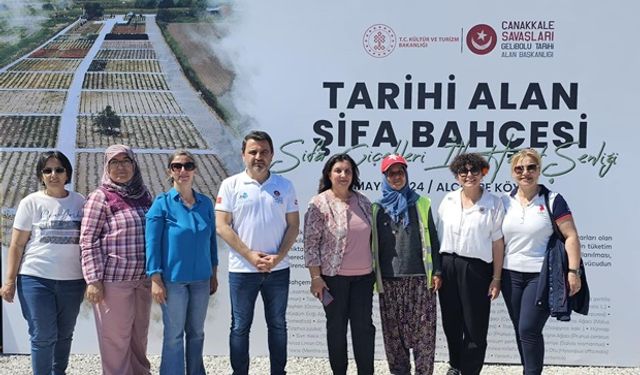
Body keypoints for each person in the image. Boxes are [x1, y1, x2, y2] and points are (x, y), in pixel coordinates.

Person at [215, 130, 300, 375]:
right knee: (240, 326)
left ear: (272, 155)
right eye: (253, 152)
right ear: (243, 155)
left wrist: (279, 257)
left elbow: (293, 226)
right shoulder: (230, 185)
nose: (258, 156)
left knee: (278, 325)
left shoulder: (284, 186)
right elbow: (222, 226)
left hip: (278, 269)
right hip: (242, 270)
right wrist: (250, 255)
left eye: (263, 152)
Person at [0, 151, 85, 375]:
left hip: (73, 281)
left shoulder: (80, 201)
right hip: (35, 279)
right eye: (47, 170)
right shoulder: (31, 202)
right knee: (43, 335)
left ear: (67, 173)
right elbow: (17, 245)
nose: (53, 174)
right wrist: (8, 282)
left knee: (65, 333)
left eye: (58, 169)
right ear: (41, 175)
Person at [501, 148, 582, 375]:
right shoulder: (504, 202)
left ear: (539, 170)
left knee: (529, 329)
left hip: (540, 275)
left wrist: (572, 272)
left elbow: (571, 236)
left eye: (531, 167)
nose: (525, 172)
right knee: (521, 330)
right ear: (512, 172)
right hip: (510, 276)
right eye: (519, 168)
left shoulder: (553, 199)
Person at [80, 144, 153, 375]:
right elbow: (88, 240)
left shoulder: (144, 195)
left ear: (134, 164)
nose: (121, 167)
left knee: (139, 335)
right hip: (114, 281)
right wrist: (93, 280)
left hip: (142, 280)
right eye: (115, 162)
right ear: (107, 167)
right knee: (115, 339)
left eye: (126, 161)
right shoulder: (100, 197)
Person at [146, 150, 219, 375]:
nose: (183, 171)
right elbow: (152, 243)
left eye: (188, 165)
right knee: (174, 335)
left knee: (197, 332)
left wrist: (214, 273)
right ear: (170, 171)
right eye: (177, 166)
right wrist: (155, 278)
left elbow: (211, 242)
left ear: (195, 169)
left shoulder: (205, 203)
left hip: (201, 280)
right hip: (173, 282)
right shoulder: (162, 204)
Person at [304, 153, 375, 375]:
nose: (343, 175)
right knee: (336, 329)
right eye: (338, 171)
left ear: (353, 175)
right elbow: (310, 244)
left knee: (363, 329)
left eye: (348, 171)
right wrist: (316, 278)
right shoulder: (319, 203)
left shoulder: (363, 201)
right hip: (334, 279)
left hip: (364, 278)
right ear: (329, 174)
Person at [371, 154, 442, 375]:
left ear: (406, 174)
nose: (396, 177)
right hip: (390, 281)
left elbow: (433, 239)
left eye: (400, 172)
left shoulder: (421, 203)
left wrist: (437, 271)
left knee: (423, 337)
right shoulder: (376, 208)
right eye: (391, 173)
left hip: (421, 279)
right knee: (394, 338)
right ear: (385, 176)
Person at [436, 152, 505, 375]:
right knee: (451, 322)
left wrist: (496, 278)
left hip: (476, 270)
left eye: (474, 170)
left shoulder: (493, 203)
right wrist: (437, 271)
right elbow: (437, 237)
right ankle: (455, 365)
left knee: (475, 326)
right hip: (448, 266)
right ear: (457, 175)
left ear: (482, 173)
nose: (469, 175)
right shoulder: (448, 200)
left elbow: (497, 244)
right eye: (463, 171)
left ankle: (470, 371)